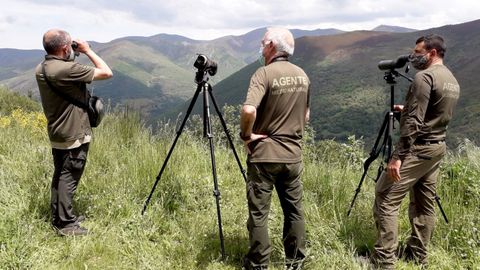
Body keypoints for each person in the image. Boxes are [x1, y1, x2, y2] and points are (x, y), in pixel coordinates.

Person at [371, 34, 460, 269]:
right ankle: (417, 255)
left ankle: (384, 261)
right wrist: (408, 108)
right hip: (436, 148)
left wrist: (397, 157)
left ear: (432, 53)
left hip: (417, 149)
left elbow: (413, 123)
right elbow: (435, 114)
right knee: (424, 203)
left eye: (418, 52)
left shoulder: (424, 77)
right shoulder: (451, 79)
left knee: (386, 197)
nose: (414, 55)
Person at [240, 27, 310, 270]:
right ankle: (296, 262)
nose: (261, 45)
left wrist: (246, 136)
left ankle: (259, 264)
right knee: (294, 211)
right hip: (293, 156)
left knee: (259, 214)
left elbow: (249, 109)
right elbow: (306, 114)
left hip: (264, 156)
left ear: (271, 46)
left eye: (263, 41)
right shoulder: (302, 75)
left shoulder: (264, 73)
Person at [35, 29, 113, 236]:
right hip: (73, 134)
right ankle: (66, 225)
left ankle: (60, 216)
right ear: (63, 48)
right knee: (69, 176)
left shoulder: (43, 67)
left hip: (58, 131)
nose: (73, 48)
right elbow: (106, 72)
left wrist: (71, 54)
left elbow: (66, 68)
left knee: (61, 174)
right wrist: (87, 50)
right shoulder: (66, 70)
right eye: (70, 45)